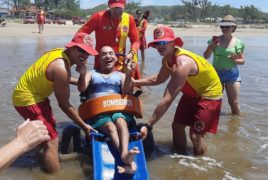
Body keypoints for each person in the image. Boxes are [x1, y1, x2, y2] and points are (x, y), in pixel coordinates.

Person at [12, 32, 98, 173]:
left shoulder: (59, 52)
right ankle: (53, 174)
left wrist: (82, 74)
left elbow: (61, 78)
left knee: (45, 131)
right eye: (81, 50)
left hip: (30, 94)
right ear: (71, 48)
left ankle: (39, 156)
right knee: (52, 140)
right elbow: (64, 105)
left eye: (88, 52)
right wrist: (84, 125)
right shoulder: (61, 68)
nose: (85, 55)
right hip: (28, 100)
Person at [134, 26, 223, 155]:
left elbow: (168, 99)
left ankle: (201, 164)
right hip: (191, 93)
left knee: (195, 135)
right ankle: (180, 157)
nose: (160, 46)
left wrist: (148, 125)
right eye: (157, 43)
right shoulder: (167, 59)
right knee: (177, 126)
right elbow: (159, 79)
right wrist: (134, 82)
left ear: (173, 42)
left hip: (209, 94)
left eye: (164, 42)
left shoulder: (182, 63)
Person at [77, 46, 145, 173]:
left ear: (115, 58)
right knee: (110, 127)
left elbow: (126, 91)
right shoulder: (91, 74)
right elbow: (81, 88)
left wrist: (129, 73)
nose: (108, 56)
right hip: (98, 112)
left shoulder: (121, 75)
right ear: (99, 59)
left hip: (118, 109)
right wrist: (82, 74)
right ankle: (125, 156)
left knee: (120, 120)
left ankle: (125, 154)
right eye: (103, 54)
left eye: (111, 53)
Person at [78, 0, 141, 81]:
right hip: (100, 65)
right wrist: (83, 55)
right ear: (108, 5)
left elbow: (136, 40)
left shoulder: (129, 19)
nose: (117, 11)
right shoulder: (98, 17)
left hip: (120, 64)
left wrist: (132, 53)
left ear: (124, 5)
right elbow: (80, 34)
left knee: (127, 88)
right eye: (114, 8)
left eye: (120, 8)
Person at [203, 15, 245, 115]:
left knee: (234, 102)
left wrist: (235, 60)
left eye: (227, 27)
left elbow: (242, 61)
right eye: (223, 26)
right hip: (216, 73)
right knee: (214, 101)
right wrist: (211, 47)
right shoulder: (214, 40)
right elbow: (206, 56)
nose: (224, 29)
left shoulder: (238, 42)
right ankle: (212, 123)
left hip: (232, 74)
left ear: (233, 28)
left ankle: (235, 126)